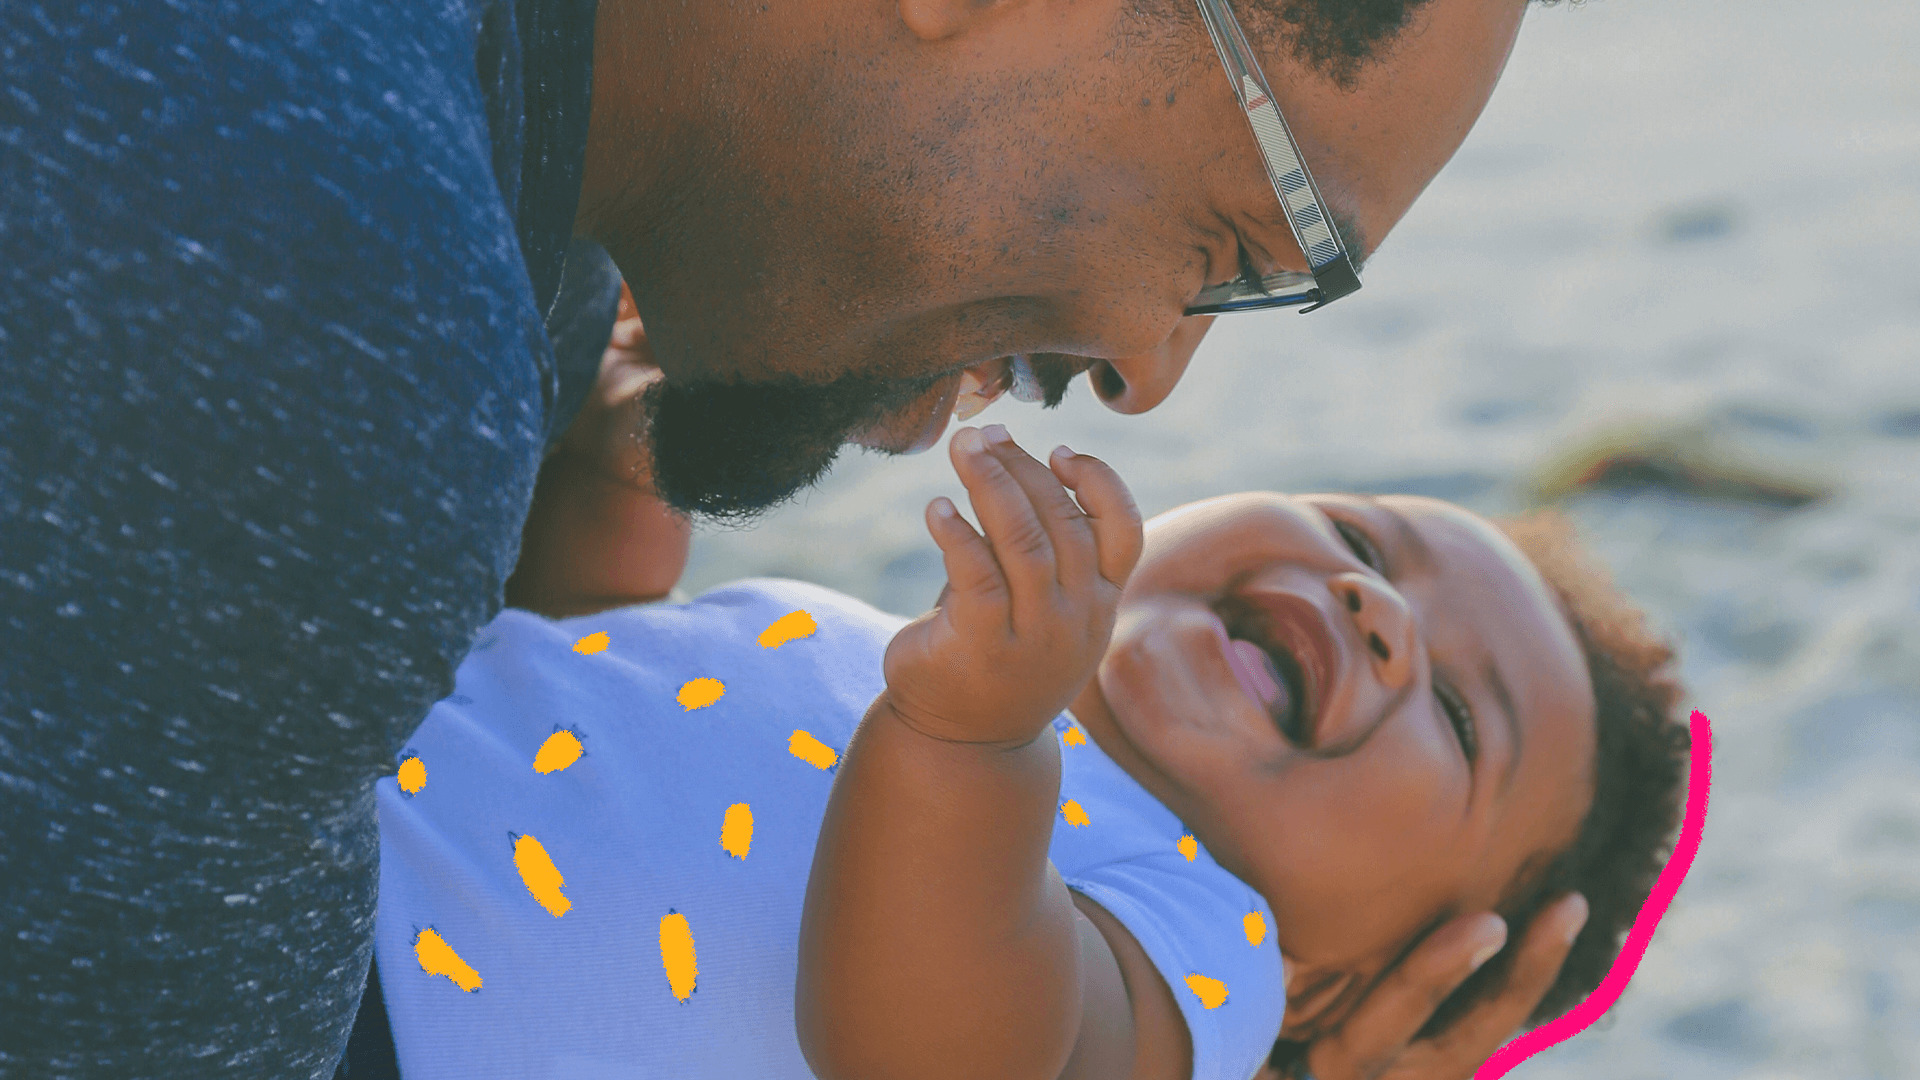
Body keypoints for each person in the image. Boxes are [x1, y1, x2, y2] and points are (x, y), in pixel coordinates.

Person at [5, 0, 1575, 1075]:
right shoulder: (335, 337)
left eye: (1455, 709)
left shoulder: (482, 273)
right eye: (1243, 244)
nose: (1152, 373)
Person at [366, 423, 1689, 1080]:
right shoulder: (907, 661)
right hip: (301, 823)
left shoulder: (1196, 949)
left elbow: (934, 1050)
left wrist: (970, 738)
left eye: (1462, 719)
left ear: (1345, 987)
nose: (1372, 606)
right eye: (1362, 538)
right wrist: (628, 473)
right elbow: (594, 715)